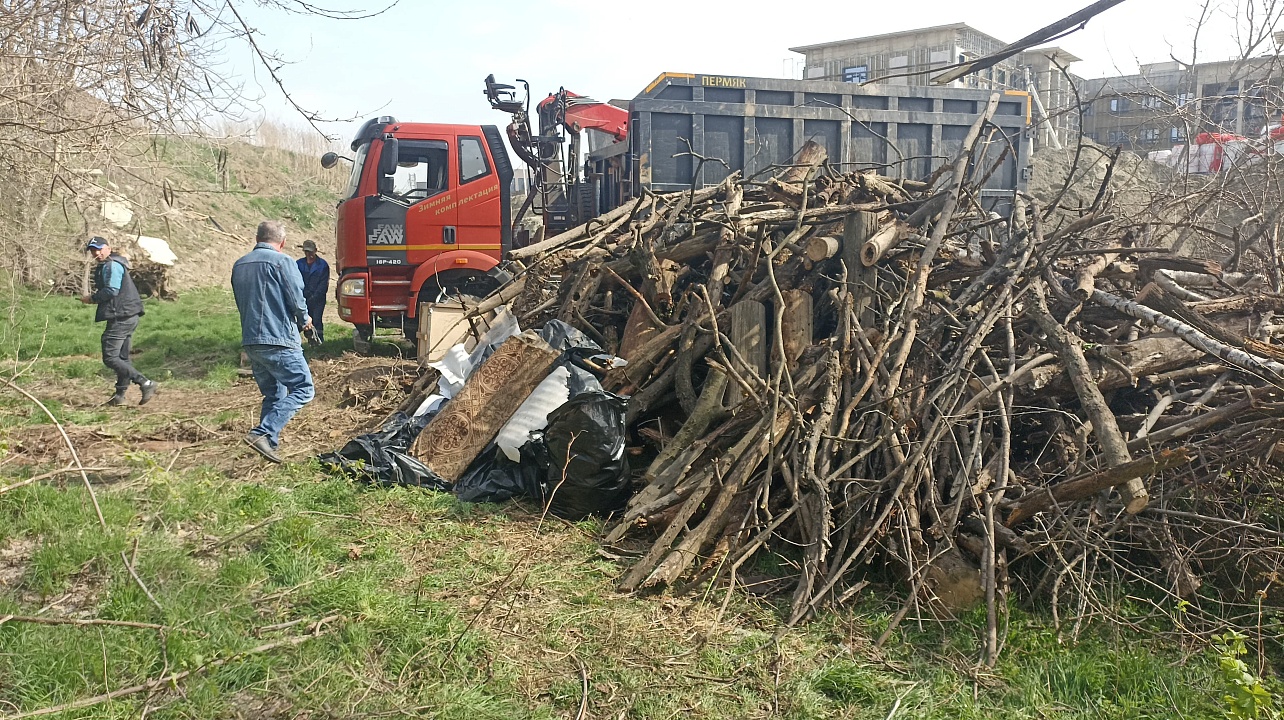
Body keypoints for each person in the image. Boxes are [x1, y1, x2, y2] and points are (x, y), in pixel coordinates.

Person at [231, 221, 315, 464]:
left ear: (257, 238)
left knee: (274, 394)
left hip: (251, 340)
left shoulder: (240, 264)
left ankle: (268, 446)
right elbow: (296, 298)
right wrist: (305, 320)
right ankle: (262, 433)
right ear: (283, 242)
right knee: (303, 388)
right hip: (279, 339)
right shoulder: (282, 262)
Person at [80, 237, 158, 406]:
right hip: (128, 314)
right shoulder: (114, 263)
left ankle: (145, 383)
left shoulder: (111, 265)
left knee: (110, 357)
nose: (96, 253)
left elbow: (111, 290)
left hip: (121, 315)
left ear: (108, 248)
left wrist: (91, 299)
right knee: (122, 357)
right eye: (93, 250)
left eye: (99, 249)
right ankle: (119, 396)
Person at [296, 239, 329, 344]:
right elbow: (295, 281)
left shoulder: (323, 265)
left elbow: (323, 284)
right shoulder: (298, 264)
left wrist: (315, 297)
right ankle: (293, 341)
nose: (309, 254)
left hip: (318, 299)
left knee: (317, 320)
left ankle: (318, 342)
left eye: (310, 252)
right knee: (300, 321)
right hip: (303, 298)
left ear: (315, 250)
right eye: (306, 252)